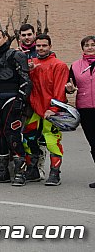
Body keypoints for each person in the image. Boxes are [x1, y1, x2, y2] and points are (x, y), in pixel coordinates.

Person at [0, 29, 31, 186]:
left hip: (11, 98)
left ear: (5, 38)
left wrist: (21, 99)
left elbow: (25, 79)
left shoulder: (16, 55)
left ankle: (20, 173)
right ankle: (2, 172)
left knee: (13, 135)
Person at [23, 34, 69, 186]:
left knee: (52, 142)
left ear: (50, 46)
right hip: (35, 110)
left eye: (44, 45)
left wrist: (54, 108)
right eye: (38, 46)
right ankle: (33, 171)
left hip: (51, 111)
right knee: (28, 140)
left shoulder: (59, 65)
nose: (41, 48)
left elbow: (59, 90)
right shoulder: (32, 64)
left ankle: (55, 174)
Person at [67, 35, 95, 188]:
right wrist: (69, 89)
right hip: (85, 109)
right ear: (82, 48)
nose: (90, 47)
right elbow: (71, 86)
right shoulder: (76, 65)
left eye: (93, 44)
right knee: (93, 143)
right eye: (86, 45)